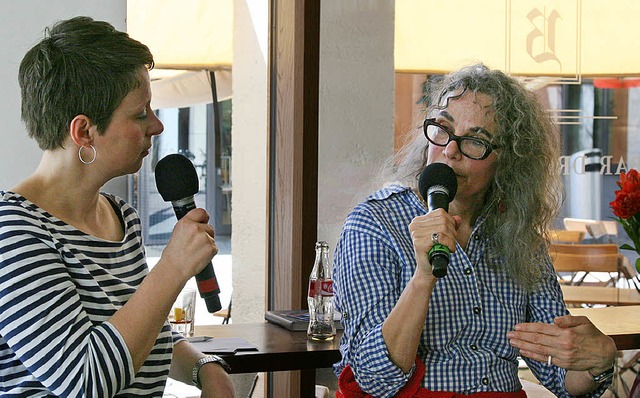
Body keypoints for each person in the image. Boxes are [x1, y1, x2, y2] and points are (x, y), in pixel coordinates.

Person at [332, 64, 617, 397]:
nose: (450, 150)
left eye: (475, 141)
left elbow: (560, 377)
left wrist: (599, 363)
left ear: (507, 160)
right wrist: (423, 278)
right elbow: (374, 378)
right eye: (442, 129)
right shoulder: (375, 223)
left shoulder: (517, 234)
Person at [0, 17, 234, 397]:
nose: (156, 126)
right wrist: (172, 269)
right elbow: (85, 380)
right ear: (84, 132)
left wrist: (204, 368)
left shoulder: (121, 216)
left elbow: (141, 331)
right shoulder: (14, 232)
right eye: (141, 113)